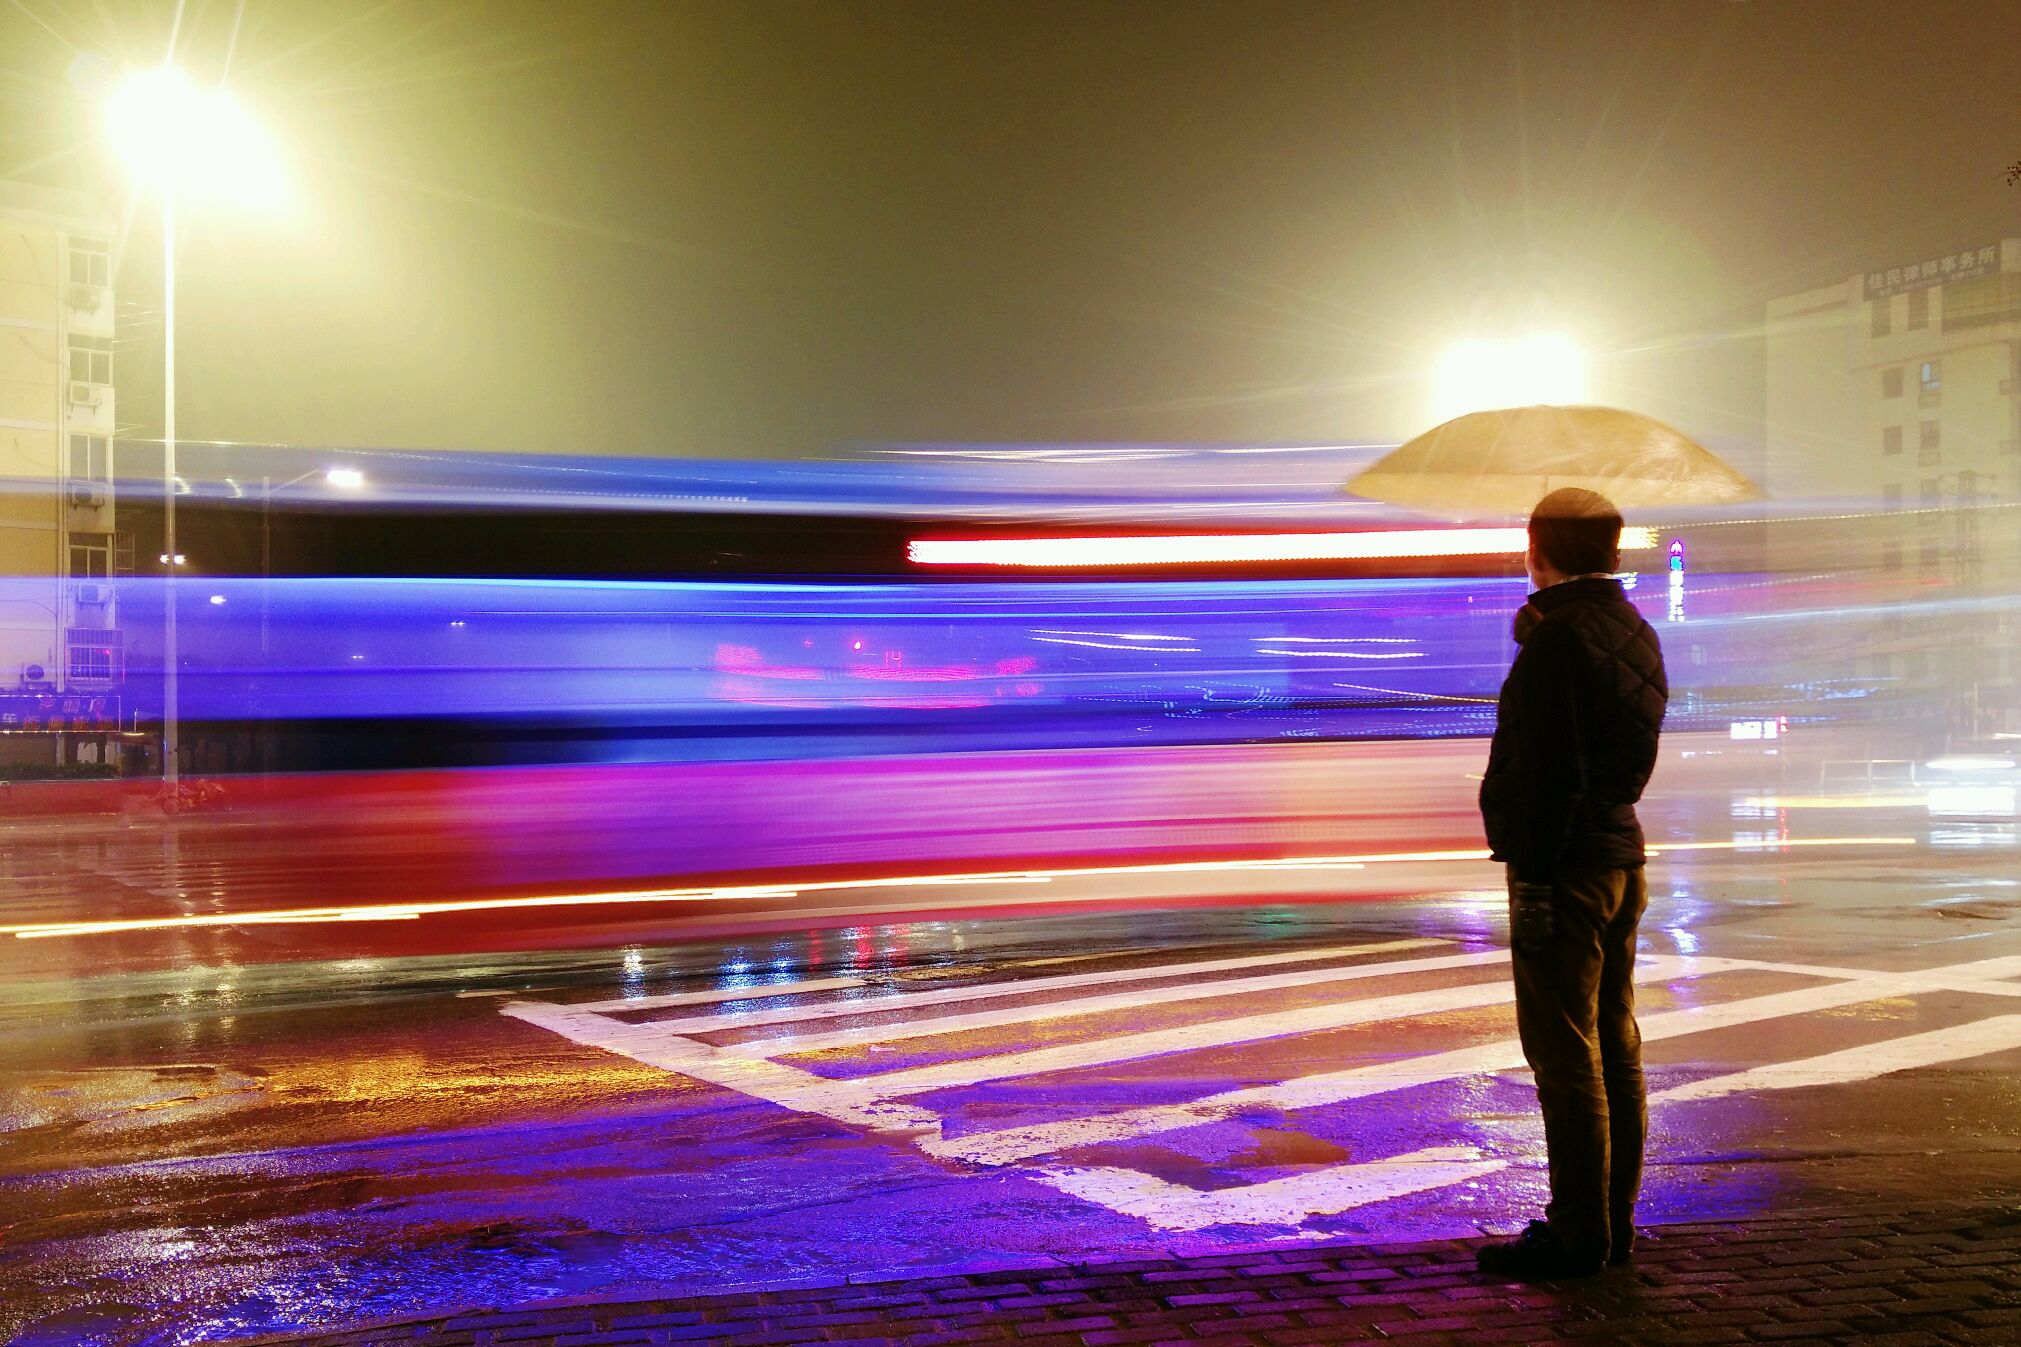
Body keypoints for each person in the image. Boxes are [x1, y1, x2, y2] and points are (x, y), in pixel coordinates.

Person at [1476, 487, 1668, 1280]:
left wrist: (1538, 875)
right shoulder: (1637, 631)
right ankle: (1612, 1225)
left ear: (1537, 548)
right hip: (1621, 859)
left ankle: (1576, 1231)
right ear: (1613, 550)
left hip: (1565, 869)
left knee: (1564, 1055)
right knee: (1615, 1045)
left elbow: (1547, 770)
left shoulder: (1555, 642)